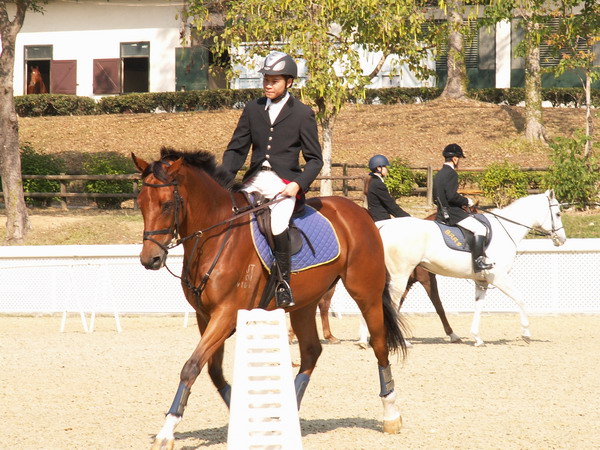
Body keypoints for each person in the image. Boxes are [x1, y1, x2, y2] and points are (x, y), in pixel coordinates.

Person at [222, 51, 324, 308]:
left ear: (289, 82)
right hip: (254, 180)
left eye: (274, 80)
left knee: (278, 225)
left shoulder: (302, 113)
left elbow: (315, 160)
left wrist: (297, 184)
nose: (268, 84)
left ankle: (283, 284)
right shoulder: (252, 109)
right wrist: (222, 181)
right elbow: (237, 149)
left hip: (283, 184)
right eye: (266, 79)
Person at [432, 143, 493, 272]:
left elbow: (435, 197)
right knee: (480, 229)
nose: (459, 161)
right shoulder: (451, 174)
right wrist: (467, 201)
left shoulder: (439, 174)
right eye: (459, 158)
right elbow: (451, 196)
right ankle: (478, 261)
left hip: (440, 213)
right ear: (455, 159)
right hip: (453, 213)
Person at [364, 154, 410, 221]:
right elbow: (390, 204)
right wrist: (407, 217)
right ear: (378, 168)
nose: (387, 169)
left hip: (376, 218)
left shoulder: (372, 181)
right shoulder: (378, 184)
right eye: (385, 167)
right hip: (381, 219)